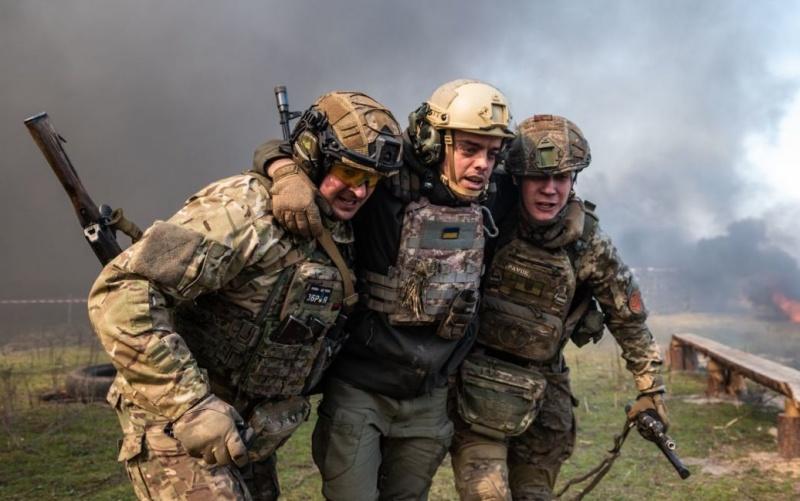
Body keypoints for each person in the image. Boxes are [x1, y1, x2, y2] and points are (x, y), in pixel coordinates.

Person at [87, 91, 403, 500]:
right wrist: (190, 404)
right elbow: (121, 290)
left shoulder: (341, 229)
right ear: (314, 153)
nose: (359, 192)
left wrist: (281, 165)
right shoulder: (243, 210)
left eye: (371, 180)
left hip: (245, 431)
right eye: (350, 173)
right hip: (177, 420)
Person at [260, 78, 515, 500]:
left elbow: (549, 189)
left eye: (492, 153)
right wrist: (285, 174)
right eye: (469, 149)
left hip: (428, 396)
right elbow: (284, 149)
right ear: (433, 141)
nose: (482, 165)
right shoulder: (384, 177)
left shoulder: (492, 195)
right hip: (361, 391)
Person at [448, 114, 669, 501]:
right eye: (538, 178)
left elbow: (628, 318)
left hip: (544, 396)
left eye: (561, 178)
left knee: (535, 494)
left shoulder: (587, 241)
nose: (550, 190)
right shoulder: (485, 216)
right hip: (476, 391)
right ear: (518, 179)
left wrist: (650, 387)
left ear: (574, 180)